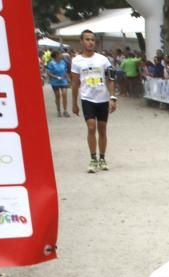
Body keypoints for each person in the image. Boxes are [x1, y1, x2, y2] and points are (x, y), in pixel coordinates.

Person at [70, 30, 116, 174]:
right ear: (81, 41)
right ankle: (93, 159)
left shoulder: (103, 60)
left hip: (102, 99)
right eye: (87, 39)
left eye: (92, 40)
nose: (90, 42)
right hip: (87, 98)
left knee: (102, 129)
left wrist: (112, 98)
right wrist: (74, 103)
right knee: (91, 128)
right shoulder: (76, 61)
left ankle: (102, 158)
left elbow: (111, 79)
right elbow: (75, 82)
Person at [46, 50, 70, 117]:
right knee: (57, 96)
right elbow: (49, 73)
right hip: (55, 81)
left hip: (63, 80)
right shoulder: (51, 63)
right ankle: (58, 110)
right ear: (56, 55)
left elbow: (65, 70)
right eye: (60, 54)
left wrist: (67, 78)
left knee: (64, 94)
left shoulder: (63, 62)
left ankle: (65, 111)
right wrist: (56, 77)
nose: (61, 55)